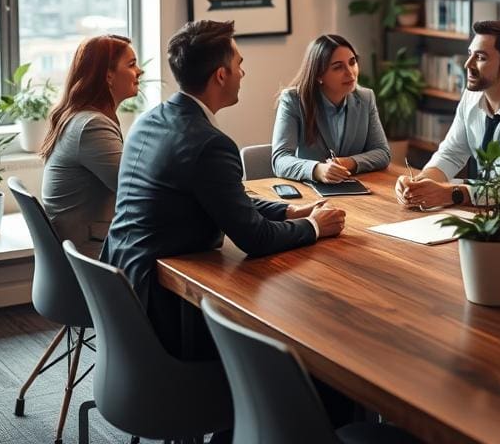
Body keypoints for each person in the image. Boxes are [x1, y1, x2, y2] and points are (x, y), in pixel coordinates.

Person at [101, 19, 346, 355]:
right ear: (220, 75)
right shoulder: (210, 144)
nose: (242, 74)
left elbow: (222, 198)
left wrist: (289, 210)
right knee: (301, 329)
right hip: (166, 309)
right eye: (239, 65)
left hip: (124, 284)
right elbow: (255, 240)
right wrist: (315, 226)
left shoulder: (150, 120)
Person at [395, 20, 500, 210]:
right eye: (470, 54)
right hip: (485, 211)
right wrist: (420, 185)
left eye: (480, 57)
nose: (467, 64)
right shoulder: (472, 96)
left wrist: (452, 193)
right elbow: (451, 153)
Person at [40, 34, 143, 257]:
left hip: (83, 249)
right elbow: (135, 190)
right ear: (108, 76)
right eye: (132, 64)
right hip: (91, 259)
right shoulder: (91, 126)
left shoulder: (81, 117)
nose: (140, 71)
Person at [272, 34, 390, 183]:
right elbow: (280, 160)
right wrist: (316, 170)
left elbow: (382, 153)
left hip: (355, 191)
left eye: (352, 62)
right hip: (310, 195)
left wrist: (349, 162)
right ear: (318, 75)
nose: (350, 72)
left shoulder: (366, 98)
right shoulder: (293, 100)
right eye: (338, 67)